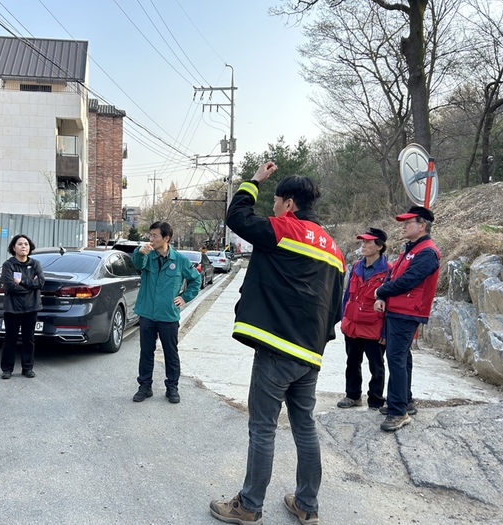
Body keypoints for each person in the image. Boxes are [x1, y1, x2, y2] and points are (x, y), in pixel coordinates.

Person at [209, 163, 345, 525]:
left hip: (277, 349)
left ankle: (249, 506)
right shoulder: (335, 249)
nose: (273, 208)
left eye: (275, 202)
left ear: (288, 203)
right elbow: (337, 307)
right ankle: (307, 505)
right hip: (310, 353)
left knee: (263, 427)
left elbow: (236, 216)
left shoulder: (285, 229)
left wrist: (254, 181)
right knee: (305, 426)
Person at [374, 205, 440, 432]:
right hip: (399, 310)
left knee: (396, 359)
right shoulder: (411, 249)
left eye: (408, 223)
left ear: (422, 226)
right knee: (402, 357)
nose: (403, 226)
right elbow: (394, 275)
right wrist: (384, 294)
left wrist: (382, 292)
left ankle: (397, 411)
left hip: (408, 312)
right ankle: (405, 401)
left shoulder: (427, 252)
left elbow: (409, 280)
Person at [131, 221, 201, 404]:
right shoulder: (147, 256)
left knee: (171, 353)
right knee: (146, 352)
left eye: (155, 236)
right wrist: (140, 252)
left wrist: (185, 297)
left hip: (168, 315)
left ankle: (172, 387)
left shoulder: (180, 260)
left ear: (166, 238)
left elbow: (196, 280)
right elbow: (136, 263)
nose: (151, 239)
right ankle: (144, 386)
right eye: (150, 235)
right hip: (147, 313)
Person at [337, 228, 390, 411]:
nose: (364, 245)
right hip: (352, 326)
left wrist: (385, 332)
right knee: (352, 362)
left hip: (374, 328)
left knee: (376, 366)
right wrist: (344, 318)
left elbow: (390, 305)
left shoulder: (388, 271)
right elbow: (347, 296)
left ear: (380, 246)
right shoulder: (357, 267)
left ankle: (375, 399)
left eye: (368, 242)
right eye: (363, 242)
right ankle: (352, 395)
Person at [0, 234, 44, 379]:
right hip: (12, 308)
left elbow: (41, 283)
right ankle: (7, 369)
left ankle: (27, 368)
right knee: (10, 339)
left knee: (29, 338)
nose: (23, 246)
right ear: (14, 247)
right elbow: (10, 286)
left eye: (26, 244)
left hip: (31, 308)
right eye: (20, 244)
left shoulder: (35, 264)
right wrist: (31, 284)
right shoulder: (8, 265)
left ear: (30, 247)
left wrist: (21, 282)